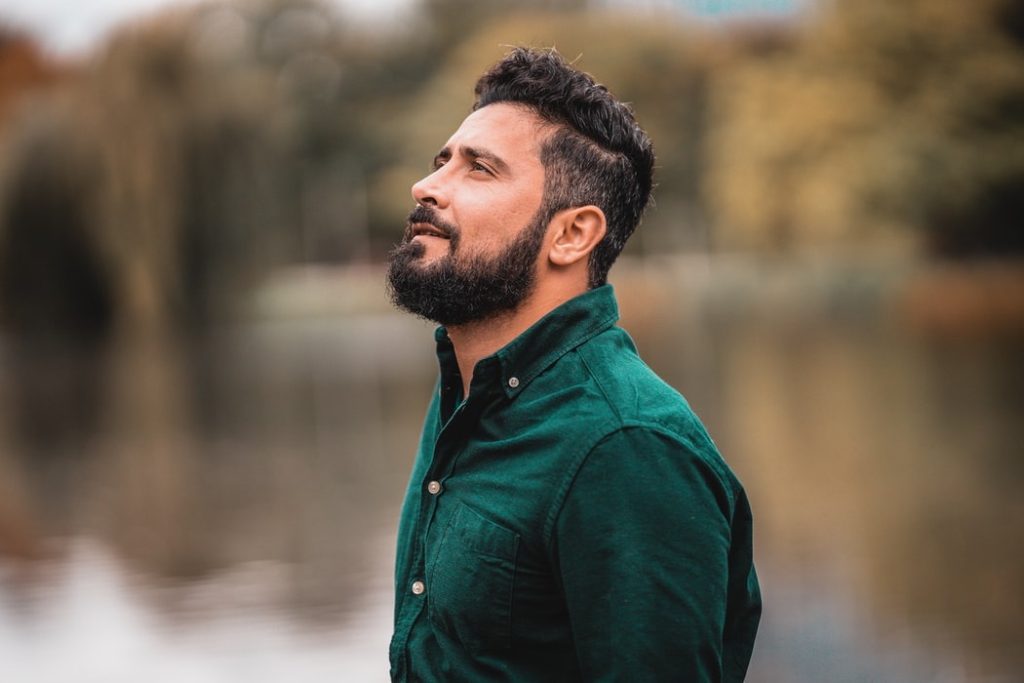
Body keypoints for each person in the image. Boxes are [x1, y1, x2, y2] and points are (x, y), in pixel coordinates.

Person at [386, 47, 761, 682]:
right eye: (441, 160)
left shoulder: (627, 448)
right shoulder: (469, 391)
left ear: (571, 235)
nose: (428, 186)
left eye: (479, 170)